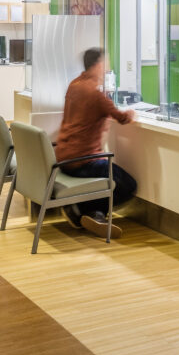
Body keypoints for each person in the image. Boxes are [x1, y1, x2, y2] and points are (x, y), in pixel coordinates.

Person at [55, 47, 137, 239]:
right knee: (128, 185)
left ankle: (86, 212)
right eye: (106, 63)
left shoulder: (74, 85)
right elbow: (123, 118)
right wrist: (133, 112)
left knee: (112, 175)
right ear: (99, 65)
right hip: (84, 161)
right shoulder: (96, 94)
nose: (108, 67)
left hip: (64, 157)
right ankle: (92, 211)